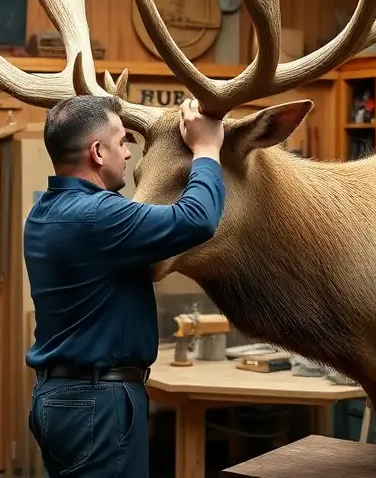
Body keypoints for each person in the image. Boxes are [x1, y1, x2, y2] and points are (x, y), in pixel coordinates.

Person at [25, 94, 226, 477]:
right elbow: (198, 219)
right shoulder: (98, 215)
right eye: (122, 142)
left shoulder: (43, 213)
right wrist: (205, 148)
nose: (128, 154)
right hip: (97, 404)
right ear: (98, 152)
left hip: (58, 398)